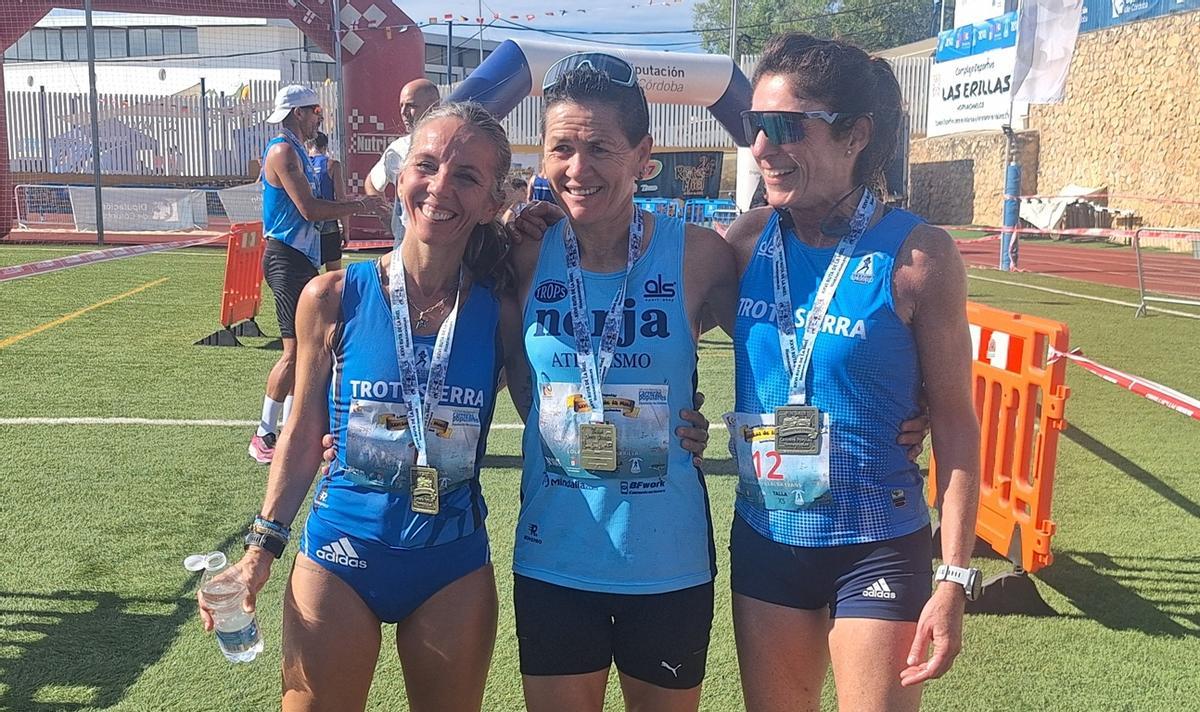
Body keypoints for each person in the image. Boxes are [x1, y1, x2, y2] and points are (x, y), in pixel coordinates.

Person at [721, 33, 980, 712]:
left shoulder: (919, 256)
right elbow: (641, 305)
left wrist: (953, 576)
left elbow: (954, 423)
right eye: (756, 126)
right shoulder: (744, 243)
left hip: (877, 543)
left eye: (784, 128)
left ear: (855, 135)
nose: (761, 148)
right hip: (768, 536)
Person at [500, 53, 741, 712]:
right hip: (555, 557)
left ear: (644, 155)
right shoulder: (522, 252)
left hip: (667, 561)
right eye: (562, 149)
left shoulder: (698, 255)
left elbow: (787, 339)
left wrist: (901, 398)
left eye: (600, 148)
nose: (579, 169)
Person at [249, 85, 383, 464]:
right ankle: (263, 433)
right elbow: (308, 208)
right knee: (293, 353)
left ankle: (289, 427)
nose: (318, 119)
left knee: (307, 349)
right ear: (299, 112)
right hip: (286, 256)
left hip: (299, 255)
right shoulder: (283, 150)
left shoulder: (296, 150)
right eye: (315, 112)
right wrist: (359, 205)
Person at [365, 78, 441, 241]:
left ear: (434, 107)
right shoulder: (397, 149)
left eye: (411, 105)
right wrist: (385, 215)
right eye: (401, 106)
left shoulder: (452, 145)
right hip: (405, 244)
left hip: (443, 243)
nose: (404, 112)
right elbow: (371, 182)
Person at [305, 131, 347, 271]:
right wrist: (346, 229)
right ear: (325, 146)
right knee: (334, 277)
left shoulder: (301, 164)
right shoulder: (332, 165)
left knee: (308, 276)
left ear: (309, 145)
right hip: (328, 224)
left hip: (307, 227)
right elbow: (341, 198)